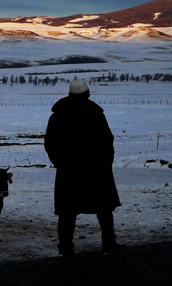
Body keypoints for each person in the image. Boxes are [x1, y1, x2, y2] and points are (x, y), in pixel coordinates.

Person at [44, 79, 125, 257]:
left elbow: (50, 144)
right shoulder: (95, 113)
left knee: (67, 212)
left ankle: (65, 248)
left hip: (69, 172)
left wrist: (61, 163)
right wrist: (104, 164)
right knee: (103, 209)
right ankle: (108, 244)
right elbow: (107, 141)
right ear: (87, 93)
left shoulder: (58, 115)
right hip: (95, 170)